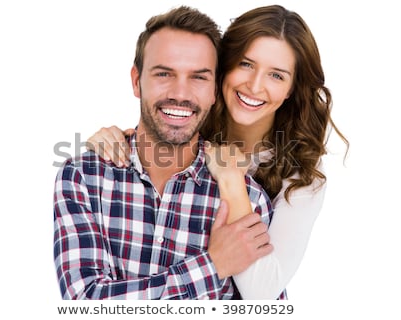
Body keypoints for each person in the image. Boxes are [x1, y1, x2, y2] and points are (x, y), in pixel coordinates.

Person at [87, 5, 349, 299]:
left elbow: (262, 293)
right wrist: (111, 140)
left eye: (277, 75)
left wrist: (232, 183)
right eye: (246, 65)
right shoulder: (191, 120)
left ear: (291, 88)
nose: (254, 85)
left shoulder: (302, 177)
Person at [53, 6, 274, 300]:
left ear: (214, 91)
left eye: (198, 77)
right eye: (164, 73)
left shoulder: (247, 199)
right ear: (136, 81)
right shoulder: (84, 177)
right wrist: (213, 265)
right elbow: (85, 302)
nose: (180, 94)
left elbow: (267, 308)